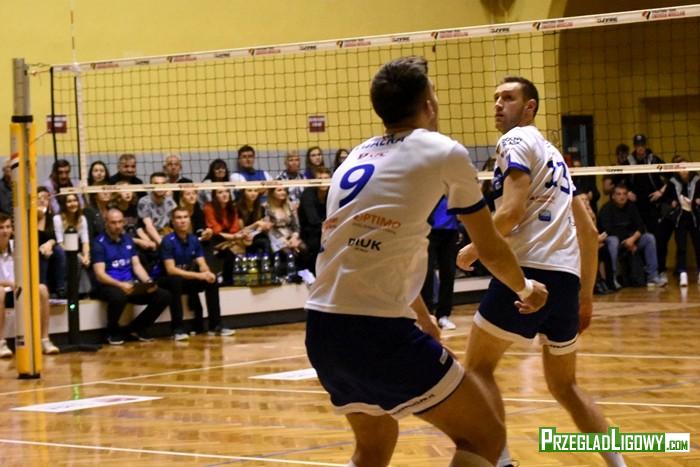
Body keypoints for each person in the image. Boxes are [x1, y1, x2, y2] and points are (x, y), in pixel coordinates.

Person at [305, 57, 547, 467]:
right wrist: (525, 288)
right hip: (377, 331)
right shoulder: (443, 151)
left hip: (322, 328)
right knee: (485, 436)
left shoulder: (355, 157)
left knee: (374, 445)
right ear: (429, 105)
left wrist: (421, 315)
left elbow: (365, 248)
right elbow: (488, 245)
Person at [457, 76, 625, 467]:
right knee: (565, 386)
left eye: (508, 98)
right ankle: (619, 464)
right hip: (565, 281)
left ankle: (502, 461)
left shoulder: (514, 141)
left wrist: (474, 247)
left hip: (527, 275)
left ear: (530, 107)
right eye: (496, 97)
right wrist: (585, 297)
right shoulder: (554, 157)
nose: (498, 104)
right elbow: (588, 232)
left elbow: (511, 211)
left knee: (477, 370)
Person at [92, 208, 171, 344]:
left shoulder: (127, 240)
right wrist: (120, 285)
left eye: (120, 222)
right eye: (113, 223)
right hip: (109, 285)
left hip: (131, 283)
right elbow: (100, 274)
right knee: (118, 296)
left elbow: (137, 265)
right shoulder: (99, 243)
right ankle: (111, 331)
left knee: (163, 295)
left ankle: (137, 328)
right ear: (106, 223)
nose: (117, 226)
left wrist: (148, 282)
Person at [158, 208, 235, 337]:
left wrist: (207, 273)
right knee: (175, 281)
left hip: (187, 278)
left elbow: (201, 263)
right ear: (173, 222)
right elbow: (171, 270)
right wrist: (199, 275)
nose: (182, 221)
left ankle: (215, 325)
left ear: (189, 220)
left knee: (212, 280)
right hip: (167, 280)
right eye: (179, 218)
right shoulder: (167, 241)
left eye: (185, 217)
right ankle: (177, 329)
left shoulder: (193, 240)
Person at [0, 213, 59, 357]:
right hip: (3, 289)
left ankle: (44, 340)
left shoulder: (17, 247)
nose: (5, 231)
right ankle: (1, 343)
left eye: (8, 227)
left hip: (18, 289)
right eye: (1, 228)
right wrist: (9, 283)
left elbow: (27, 271)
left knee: (42, 289)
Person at [598, 184, 667, 288]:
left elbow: (640, 226)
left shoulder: (631, 207)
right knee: (613, 240)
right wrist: (627, 241)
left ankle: (653, 276)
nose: (622, 197)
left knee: (649, 238)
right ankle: (612, 278)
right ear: (613, 196)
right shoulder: (606, 209)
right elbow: (607, 231)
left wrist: (632, 240)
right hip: (614, 241)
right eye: (618, 194)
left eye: (624, 194)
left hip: (631, 239)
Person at [420, 196, 460, 330]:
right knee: (427, 273)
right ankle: (428, 314)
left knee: (448, 272)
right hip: (428, 229)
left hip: (450, 230)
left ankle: (443, 315)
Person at [661, 157, 700, 286]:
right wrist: (671, 202)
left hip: (695, 217)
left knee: (698, 245)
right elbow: (665, 198)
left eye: (686, 168)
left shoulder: (697, 180)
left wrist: (698, 201)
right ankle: (682, 273)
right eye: (681, 168)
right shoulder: (672, 182)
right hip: (680, 218)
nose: (683, 171)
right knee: (681, 247)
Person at [298, 167, 331, 274]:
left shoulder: (332, 193)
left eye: (326, 178)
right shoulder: (308, 194)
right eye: (320, 179)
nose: (323, 182)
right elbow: (312, 220)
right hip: (309, 231)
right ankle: (314, 273)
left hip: (327, 228)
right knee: (316, 242)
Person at [137, 172, 177, 246]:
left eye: (163, 184)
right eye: (156, 184)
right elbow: (149, 227)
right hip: (150, 237)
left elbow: (176, 221)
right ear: (151, 185)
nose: (160, 187)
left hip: (166, 234)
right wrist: (162, 244)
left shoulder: (169, 201)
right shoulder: (144, 201)